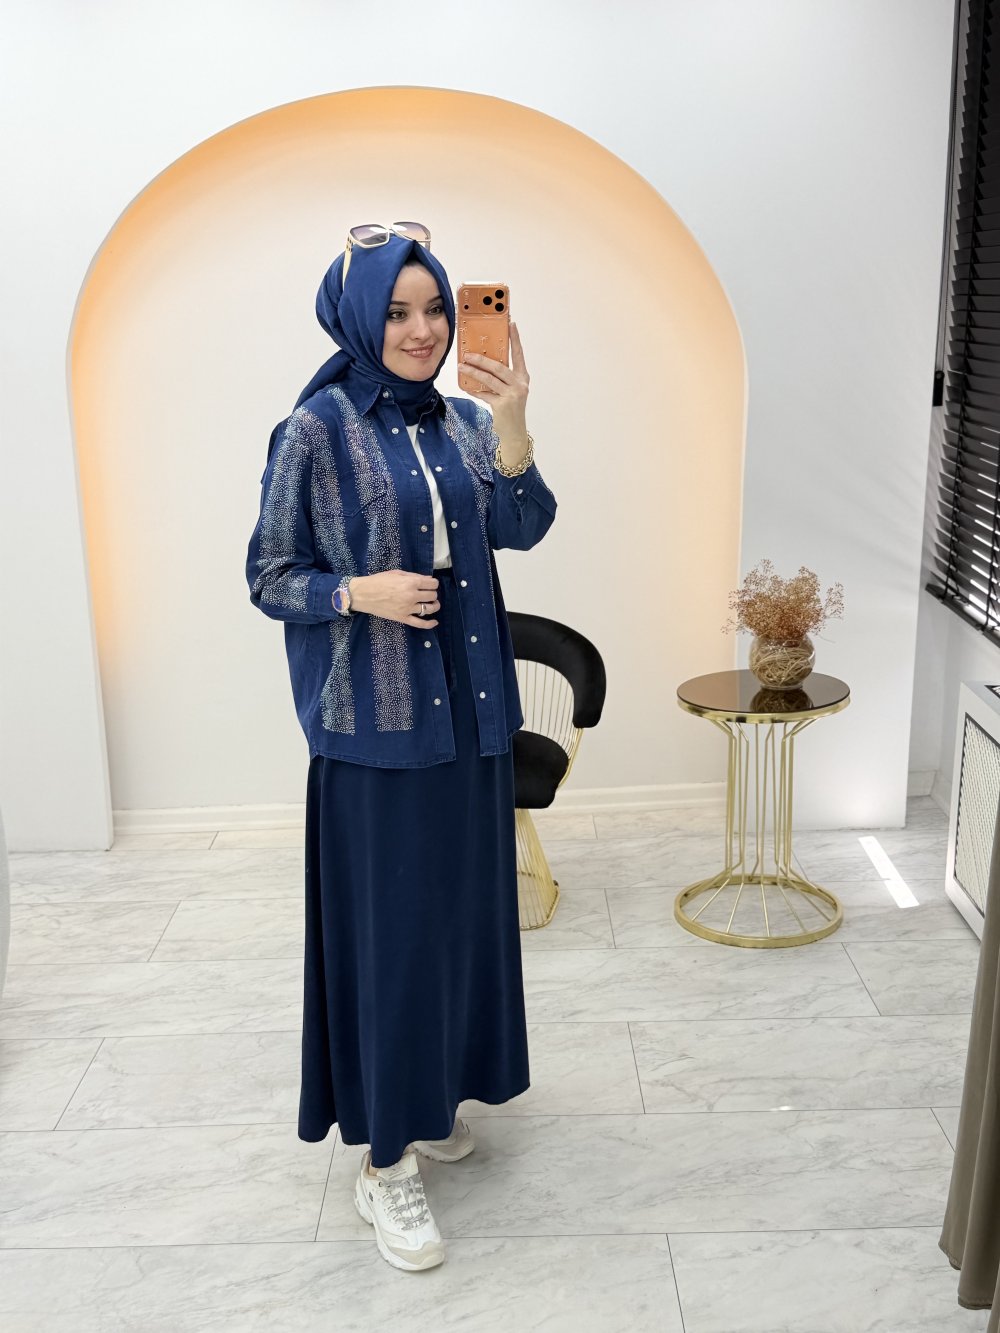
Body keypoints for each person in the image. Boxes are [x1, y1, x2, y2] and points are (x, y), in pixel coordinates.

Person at [245, 222, 557, 1272]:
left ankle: (432, 1099)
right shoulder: (314, 430)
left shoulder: (461, 421)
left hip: (470, 715)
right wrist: (356, 592)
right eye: (397, 312)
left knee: (459, 923)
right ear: (354, 317)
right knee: (391, 941)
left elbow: (522, 524)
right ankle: (385, 1162)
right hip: (374, 730)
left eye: (434, 309)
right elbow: (269, 575)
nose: (423, 331)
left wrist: (513, 420)